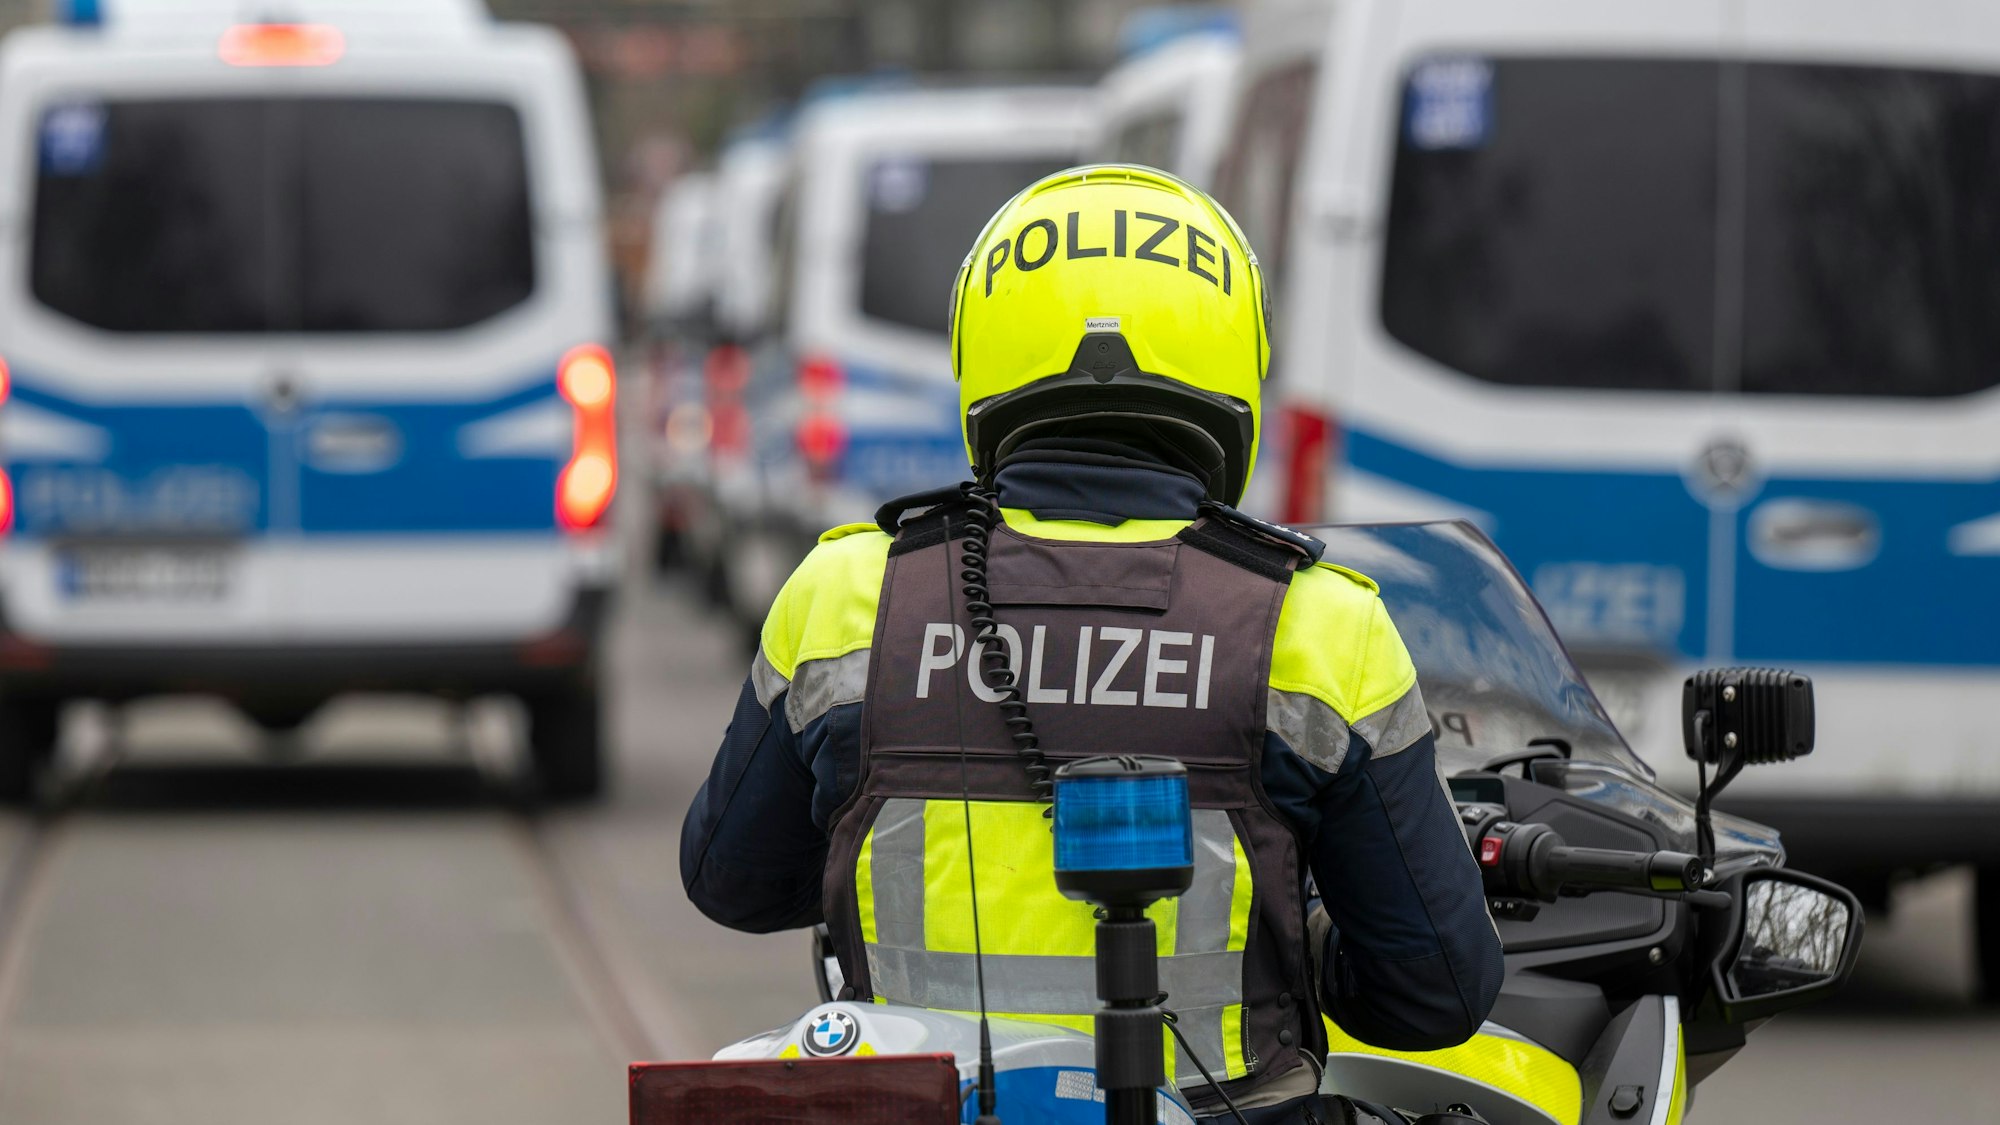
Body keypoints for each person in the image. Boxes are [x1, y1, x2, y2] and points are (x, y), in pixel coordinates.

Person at [681, 165, 1502, 1123]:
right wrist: (1301, 926)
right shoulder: (1319, 626)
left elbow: (732, 881)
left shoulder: (846, 595)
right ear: (1234, 356)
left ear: (983, 352)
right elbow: (1434, 993)